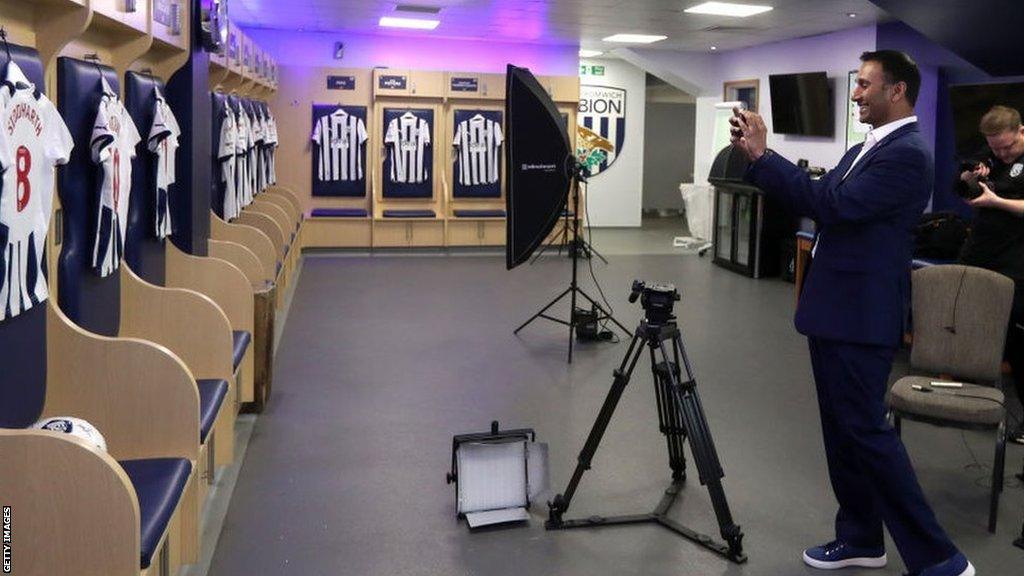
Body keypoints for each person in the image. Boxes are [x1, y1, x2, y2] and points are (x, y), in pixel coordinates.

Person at [730, 50, 973, 576]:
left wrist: (764, 157)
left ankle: (939, 558)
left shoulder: (906, 154)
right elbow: (821, 194)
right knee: (843, 434)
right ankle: (862, 537)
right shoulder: (869, 147)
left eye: (865, 85)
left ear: (898, 92)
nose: (857, 94)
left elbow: (832, 207)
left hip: (861, 316)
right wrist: (762, 161)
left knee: (866, 433)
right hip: (835, 311)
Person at [957, 105, 1024, 444]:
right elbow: (965, 187)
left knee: (1016, 338)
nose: (1001, 154)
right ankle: (967, 402)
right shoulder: (990, 154)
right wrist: (970, 177)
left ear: (1021, 131)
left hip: (1017, 256)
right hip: (981, 247)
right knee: (969, 322)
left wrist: (997, 201)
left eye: (1008, 147)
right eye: (995, 148)